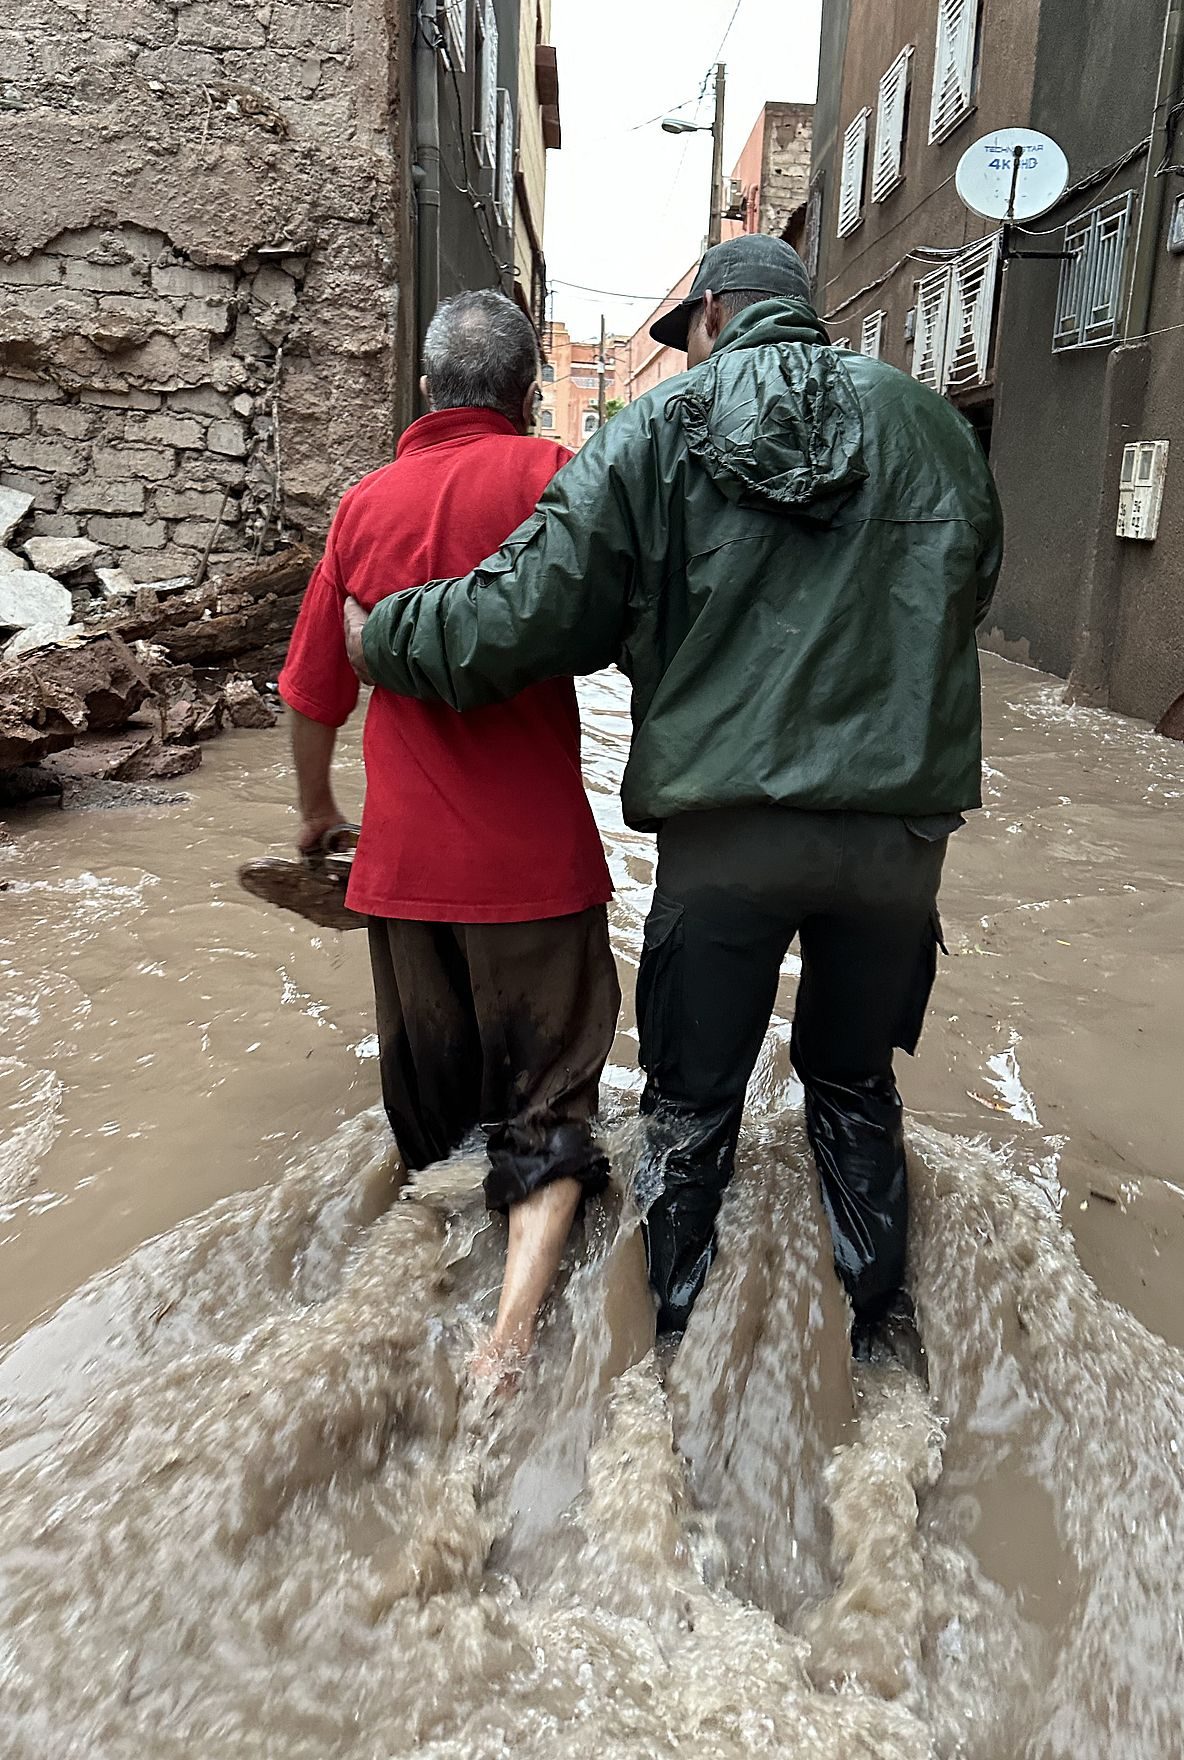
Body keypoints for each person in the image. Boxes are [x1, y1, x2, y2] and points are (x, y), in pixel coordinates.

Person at [343, 235, 1002, 1349]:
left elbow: (526, 607)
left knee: (691, 1108)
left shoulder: (657, 432)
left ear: (707, 320)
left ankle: (663, 1356)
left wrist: (386, 634)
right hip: (895, 839)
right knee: (851, 1088)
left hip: (724, 835)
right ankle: (878, 1339)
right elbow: (965, 590)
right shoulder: (930, 427)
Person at [277, 289, 619, 1382]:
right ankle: (509, 1338)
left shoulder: (362, 505)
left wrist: (317, 814)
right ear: (526, 390)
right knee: (549, 1115)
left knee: (438, 1137)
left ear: (425, 388)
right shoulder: (554, 479)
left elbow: (310, 692)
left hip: (403, 879)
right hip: (534, 873)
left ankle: (410, 1322)